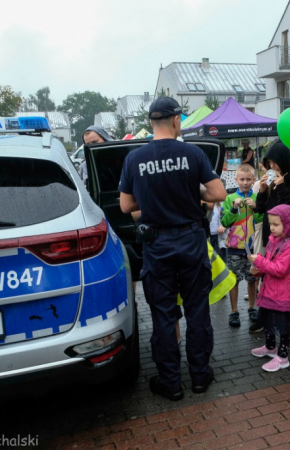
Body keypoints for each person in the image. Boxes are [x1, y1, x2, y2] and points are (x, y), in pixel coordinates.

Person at [118, 97, 226, 401]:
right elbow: (218, 193)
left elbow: (126, 205)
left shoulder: (135, 158)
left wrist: (151, 198)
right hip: (192, 241)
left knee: (164, 315)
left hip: (157, 244)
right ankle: (201, 377)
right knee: (197, 311)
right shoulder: (192, 153)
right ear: (177, 120)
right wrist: (195, 190)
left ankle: (171, 383)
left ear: (152, 123)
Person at [253, 141, 290, 333]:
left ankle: (288, 325)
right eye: (269, 164)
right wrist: (261, 192)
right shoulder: (269, 181)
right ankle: (264, 319)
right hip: (271, 237)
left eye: (275, 163)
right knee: (267, 277)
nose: (273, 168)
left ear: (284, 161)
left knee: (286, 282)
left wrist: (283, 187)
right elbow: (261, 210)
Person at [247, 204, 290, 372]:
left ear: (289, 224)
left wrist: (260, 262)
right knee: (269, 320)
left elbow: (280, 269)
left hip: (283, 294)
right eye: (270, 224)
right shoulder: (272, 240)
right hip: (270, 291)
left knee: (283, 326)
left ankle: (283, 356)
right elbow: (269, 264)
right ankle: (270, 347)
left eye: (276, 224)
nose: (272, 228)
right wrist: (257, 271)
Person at [221, 164, 263, 328]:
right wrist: (233, 208)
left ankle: (252, 308)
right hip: (234, 247)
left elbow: (260, 220)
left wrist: (256, 208)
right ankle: (234, 311)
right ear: (236, 180)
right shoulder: (229, 198)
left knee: (252, 279)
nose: (245, 183)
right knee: (234, 280)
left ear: (253, 180)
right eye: (242, 179)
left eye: (248, 179)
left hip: (253, 248)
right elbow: (224, 222)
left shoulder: (257, 198)